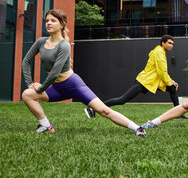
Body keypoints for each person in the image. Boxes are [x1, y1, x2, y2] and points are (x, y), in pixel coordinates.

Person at [22, 9, 147, 137]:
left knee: (104, 111)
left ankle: (137, 128)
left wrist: (41, 88)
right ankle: (46, 125)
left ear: (62, 24)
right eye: (47, 20)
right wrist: (30, 84)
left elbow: (54, 73)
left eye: (53, 21)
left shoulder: (64, 45)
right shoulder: (41, 42)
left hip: (73, 85)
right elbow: (26, 61)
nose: (49, 23)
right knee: (27, 94)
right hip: (57, 87)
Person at [84, 35, 188, 119]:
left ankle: (178, 114)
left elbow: (162, 71)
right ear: (163, 43)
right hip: (144, 82)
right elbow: (162, 71)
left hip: (151, 82)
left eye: (172, 44)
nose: (171, 45)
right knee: (122, 100)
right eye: (169, 43)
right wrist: (169, 81)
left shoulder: (160, 52)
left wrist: (171, 81)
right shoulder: (159, 53)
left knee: (172, 89)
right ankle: (93, 109)